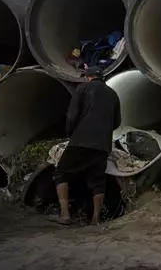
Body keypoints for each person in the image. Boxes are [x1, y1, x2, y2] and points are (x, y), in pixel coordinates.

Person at [49, 66, 121, 225]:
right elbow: (117, 122)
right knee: (98, 181)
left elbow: (72, 115)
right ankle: (96, 219)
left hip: (81, 140)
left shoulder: (82, 88)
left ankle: (65, 214)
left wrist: (70, 133)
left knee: (61, 172)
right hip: (102, 144)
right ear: (101, 77)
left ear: (88, 77)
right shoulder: (113, 94)